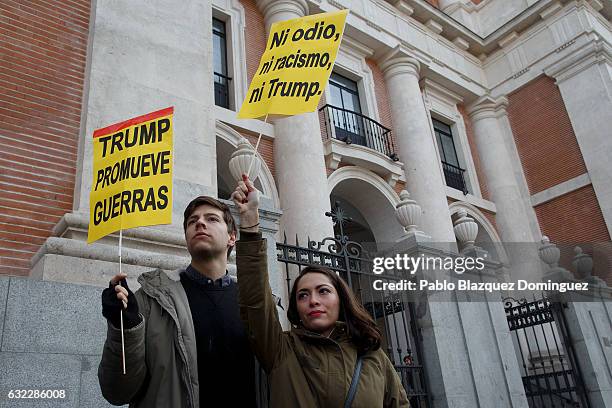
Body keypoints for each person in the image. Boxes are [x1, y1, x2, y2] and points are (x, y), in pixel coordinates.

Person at [232, 176, 410, 408]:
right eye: (302, 295)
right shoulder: (281, 349)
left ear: (341, 299)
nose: (313, 300)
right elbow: (255, 299)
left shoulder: (373, 355)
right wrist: (249, 222)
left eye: (323, 291)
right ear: (296, 308)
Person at [98, 195, 258, 407]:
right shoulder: (150, 299)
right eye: (192, 221)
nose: (199, 223)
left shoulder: (257, 304)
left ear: (232, 237)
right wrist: (125, 329)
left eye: (211, 219)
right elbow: (117, 392)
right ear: (186, 237)